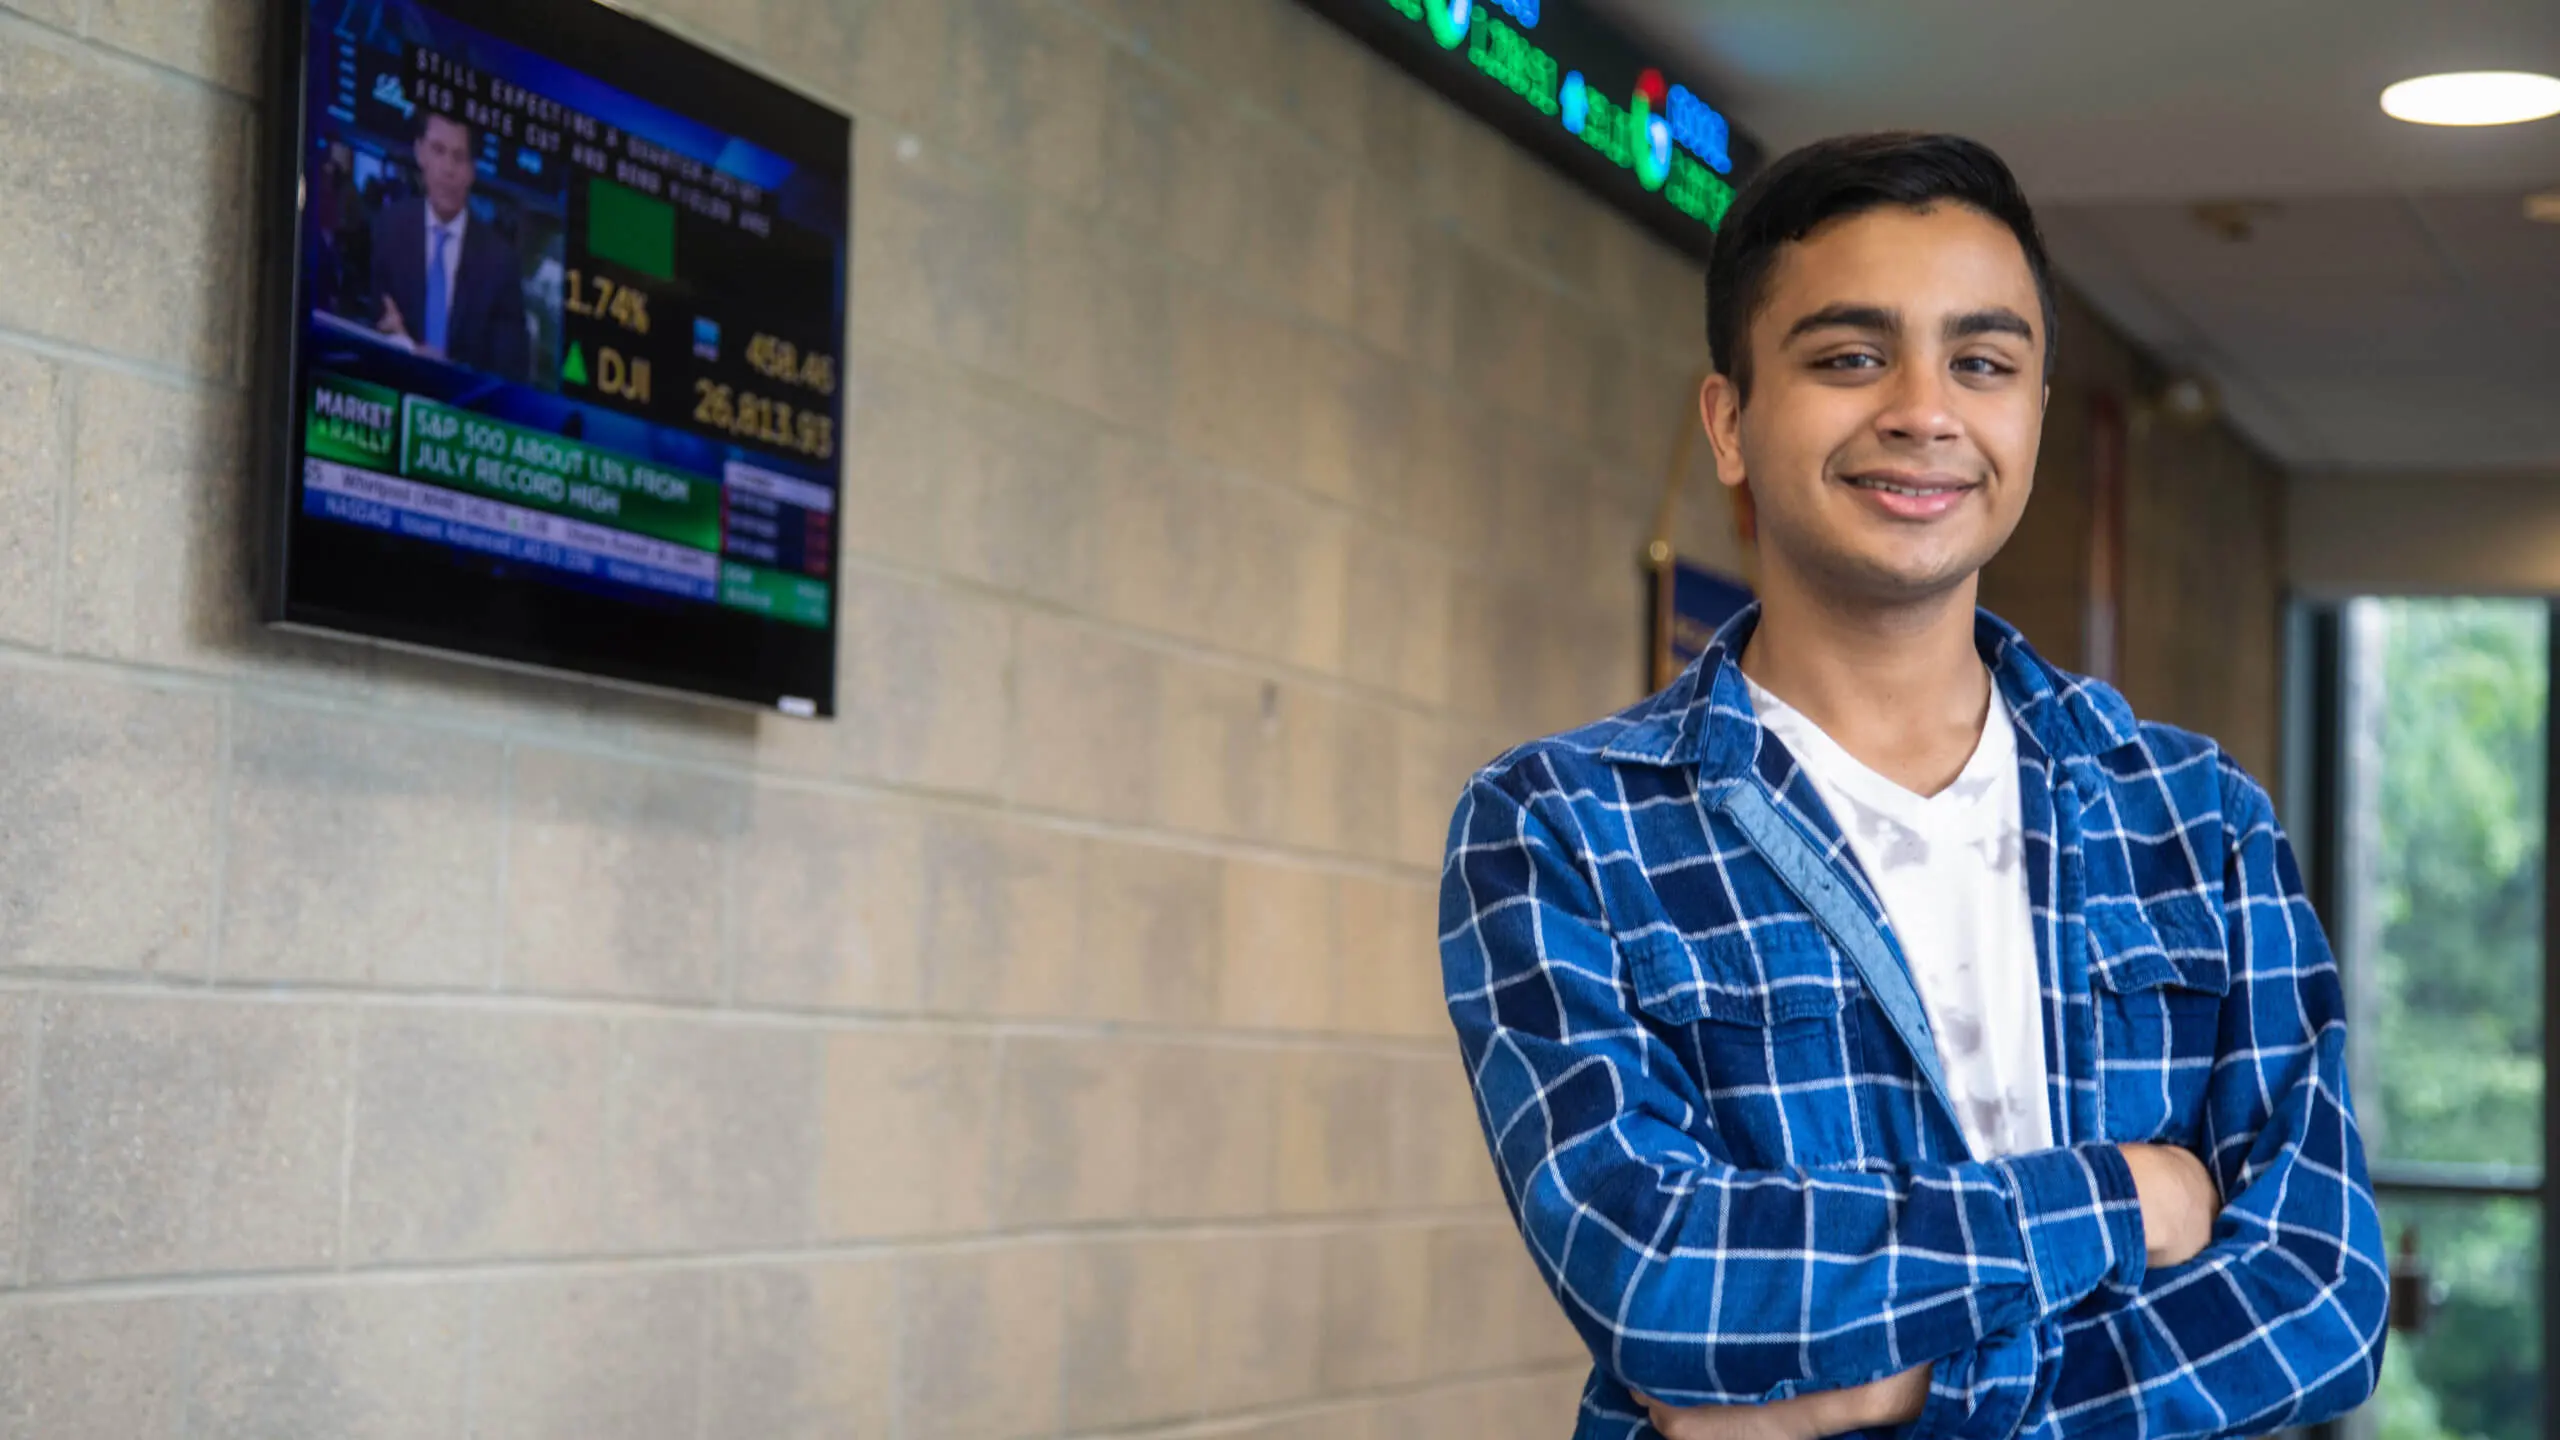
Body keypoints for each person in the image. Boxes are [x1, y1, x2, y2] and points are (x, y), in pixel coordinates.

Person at [1438, 132, 2385, 1440]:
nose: (1925, 412)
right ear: (1729, 421)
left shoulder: (2196, 817)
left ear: (2034, 417)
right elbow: (1668, 1288)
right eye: (1848, 358)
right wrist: (2117, 1198)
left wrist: (1915, 1395)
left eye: (1983, 364)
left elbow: (2319, 1299)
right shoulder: (1566, 828)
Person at [372, 109, 528, 379]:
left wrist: (447, 370)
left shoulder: (500, 262)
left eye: (459, 157)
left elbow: (511, 373)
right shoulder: (390, 228)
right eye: (438, 150)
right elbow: (368, 319)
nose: (448, 169)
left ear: (472, 171)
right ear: (420, 153)